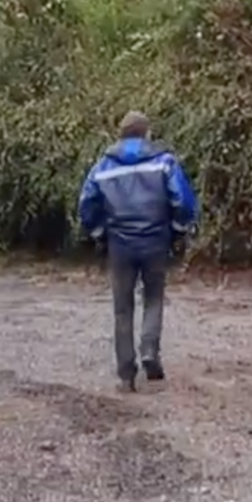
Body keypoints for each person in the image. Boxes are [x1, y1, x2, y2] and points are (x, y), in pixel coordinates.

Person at [77, 111, 199, 391]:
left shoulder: (103, 167)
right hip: (156, 240)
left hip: (119, 244)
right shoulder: (164, 162)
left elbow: (86, 205)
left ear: (120, 135)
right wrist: (178, 229)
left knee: (122, 308)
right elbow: (183, 201)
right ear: (147, 133)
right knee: (154, 297)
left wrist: (99, 234)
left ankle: (125, 372)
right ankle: (149, 351)